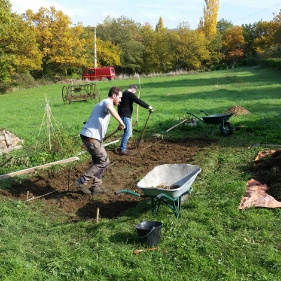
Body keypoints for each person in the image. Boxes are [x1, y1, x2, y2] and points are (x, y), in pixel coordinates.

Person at [75, 86, 125, 195]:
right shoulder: (107, 102)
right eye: (120, 97)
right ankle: (81, 181)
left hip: (92, 137)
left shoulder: (101, 103)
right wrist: (121, 122)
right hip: (91, 138)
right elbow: (110, 107)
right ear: (114, 95)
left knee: (99, 162)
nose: (120, 100)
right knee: (104, 161)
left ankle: (96, 186)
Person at [117, 84, 154, 155]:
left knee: (126, 132)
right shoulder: (129, 94)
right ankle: (122, 149)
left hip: (122, 115)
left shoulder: (124, 93)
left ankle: (122, 148)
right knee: (127, 133)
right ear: (133, 89)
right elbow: (138, 101)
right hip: (125, 115)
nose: (134, 93)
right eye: (134, 92)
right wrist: (149, 106)